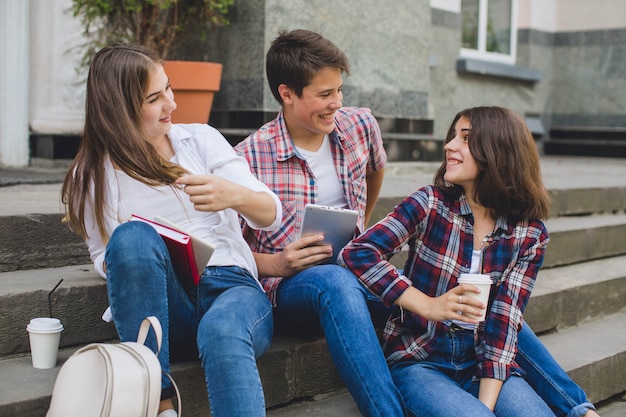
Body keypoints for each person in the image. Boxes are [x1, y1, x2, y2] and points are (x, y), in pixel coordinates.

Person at [234, 29, 487, 417]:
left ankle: (537, 394)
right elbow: (227, 252)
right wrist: (278, 263)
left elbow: (375, 167)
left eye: (339, 91)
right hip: (291, 288)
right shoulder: (247, 157)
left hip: (356, 267)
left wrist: (364, 219)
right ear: (287, 93)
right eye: (324, 95)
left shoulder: (357, 125)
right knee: (335, 282)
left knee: (450, 288)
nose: (336, 103)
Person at [61, 44, 282, 417]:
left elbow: (270, 214)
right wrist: (155, 256)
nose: (172, 103)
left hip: (232, 289)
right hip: (168, 306)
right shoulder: (93, 175)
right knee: (131, 238)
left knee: (222, 331)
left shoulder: (200, 140)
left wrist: (232, 195)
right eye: (154, 97)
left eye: (169, 88)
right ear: (121, 110)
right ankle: (159, 400)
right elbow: (103, 255)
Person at [338, 106, 561, 416]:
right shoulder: (430, 203)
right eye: (452, 136)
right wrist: (427, 304)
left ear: (497, 151)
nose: (449, 146)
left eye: (465, 138)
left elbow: (504, 322)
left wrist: (485, 406)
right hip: (420, 361)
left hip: (480, 362)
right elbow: (358, 253)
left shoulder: (529, 234)